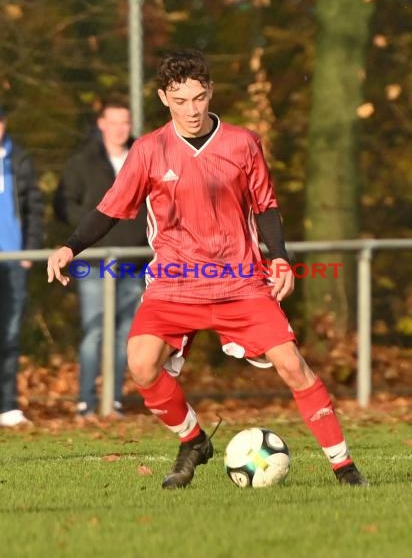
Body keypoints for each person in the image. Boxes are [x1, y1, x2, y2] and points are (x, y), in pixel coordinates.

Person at [47, 50, 368, 487]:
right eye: (180, 100)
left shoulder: (242, 143)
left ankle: (344, 467)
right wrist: (70, 247)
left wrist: (280, 259)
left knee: (293, 365)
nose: (192, 109)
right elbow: (109, 210)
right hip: (174, 284)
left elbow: (266, 206)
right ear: (164, 98)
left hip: (239, 282)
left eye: (199, 97)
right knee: (140, 366)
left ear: (211, 92)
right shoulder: (149, 150)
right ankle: (194, 440)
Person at [53, 100, 147, 417]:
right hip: (94, 263)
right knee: (94, 331)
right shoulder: (83, 162)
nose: (121, 128)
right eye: (115, 121)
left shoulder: (144, 156)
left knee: (126, 335)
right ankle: (85, 401)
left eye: (126, 122)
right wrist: (96, 226)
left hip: (135, 262)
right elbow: (64, 204)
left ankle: (114, 400)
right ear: (101, 123)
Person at [0, 104, 43, 427]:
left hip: (14, 260)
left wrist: (30, 250)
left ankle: (9, 405)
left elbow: (34, 208)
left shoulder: (20, 160)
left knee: (11, 333)